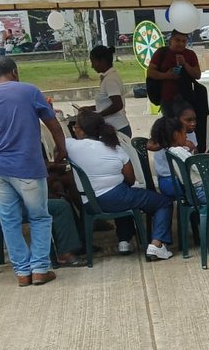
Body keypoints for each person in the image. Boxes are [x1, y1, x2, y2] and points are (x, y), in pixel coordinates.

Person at [0, 56, 67, 286]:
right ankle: (40, 269)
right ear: (14, 71)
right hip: (27, 167)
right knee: (39, 216)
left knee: (9, 220)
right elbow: (53, 124)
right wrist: (61, 149)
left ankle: (22, 273)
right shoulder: (29, 91)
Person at [65, 110, 174, 261]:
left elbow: (58, 151)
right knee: (163, 202)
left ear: (82, 131)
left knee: (124, 195)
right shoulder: (116, 148)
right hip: (116, 197)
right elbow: (130, 179)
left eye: (76, 126)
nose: (74, 129)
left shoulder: (70, 146)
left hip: (89, 203)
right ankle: (157, 244)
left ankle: (124, 240)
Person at [147, 29, 202, 141]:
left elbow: (197, 74)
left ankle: (189, 147)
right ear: (171, 40)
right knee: (170, 126)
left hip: (186, 98)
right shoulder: (161, 53)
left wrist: (185, 64)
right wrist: (166, 76)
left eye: (184, 41)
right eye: (178, 40)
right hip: (167, 98)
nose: (181, 43)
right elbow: (150, 72)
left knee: (188, 126)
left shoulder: (190, 54)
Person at [76, 44, 130, 136]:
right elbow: (107, 103)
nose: (92, 66)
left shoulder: (110, 80)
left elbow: (117, 105)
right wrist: (91, 109)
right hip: (114, 127)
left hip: (117, 128)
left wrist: (98, 116)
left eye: (94, 62)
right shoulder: (107, 78)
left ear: (102, 61)